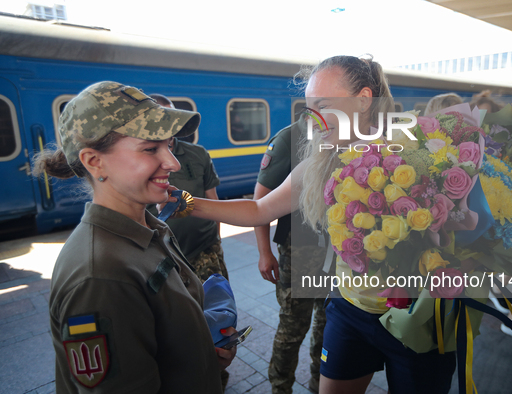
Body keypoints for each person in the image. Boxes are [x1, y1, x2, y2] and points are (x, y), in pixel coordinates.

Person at [168, 55, 457, 394]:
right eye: (309, 107)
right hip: (351, 311)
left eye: (324, 105)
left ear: (364, 99)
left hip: (417, 316)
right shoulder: (320, 163)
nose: (313, 118)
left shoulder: (419, 155)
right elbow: (259, 209)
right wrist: (184, 203)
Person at [35, 81, 236, 393]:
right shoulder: (100, 276)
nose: (173, 162)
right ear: (94, 161)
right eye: (150, 148)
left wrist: (202, 358)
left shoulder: (149, 227)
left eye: (169, 145)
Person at [254, 115, 327, 393]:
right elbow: (260, 201)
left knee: (327, 324)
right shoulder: (290, 137)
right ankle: (280, 386)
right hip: (299, 252)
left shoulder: (348, 135)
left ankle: (320, 382)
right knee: (293, 328)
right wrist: (264, 252)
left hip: (337, 253)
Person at [148, 94, 228, 283]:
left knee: (215, 305)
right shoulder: (138, 163)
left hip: (205, 249)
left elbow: (213, 199)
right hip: (161, 255)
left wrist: (216, 239)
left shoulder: (198, 154)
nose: (172, 164)